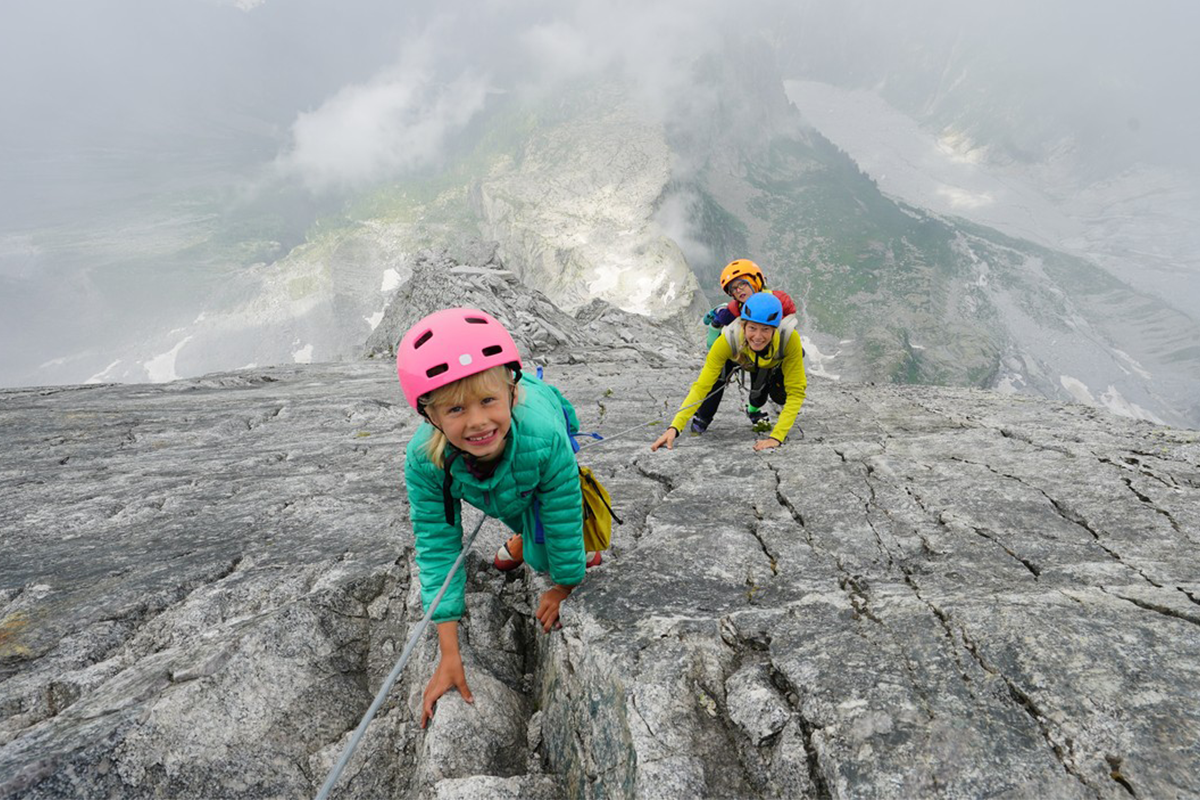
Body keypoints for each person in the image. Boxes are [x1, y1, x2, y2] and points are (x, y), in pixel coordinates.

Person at [397, 307, 592, 728]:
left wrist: (565, 584)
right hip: (510, 476)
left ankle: (527, 542)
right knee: (511, 497)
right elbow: (437, 545)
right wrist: (449, 653)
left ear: (511, 391)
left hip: (547, 441)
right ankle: (524, 535)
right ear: (430, 416)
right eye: (455, 410)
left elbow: (562, 512)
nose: (478, 421)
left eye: (489, 400)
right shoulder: (426, 462)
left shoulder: (542, 436)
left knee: (542, 547)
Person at [653, 292, 806, 452]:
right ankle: (702, 418)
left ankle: (759, 398)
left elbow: (796, 392)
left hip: (768, 363)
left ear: (775, 329)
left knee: (773, 397)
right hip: (739, 355)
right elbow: (701, 386)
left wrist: (776, 437)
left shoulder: (788, 339)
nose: (758, 336)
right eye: (752, 328)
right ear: (743, 325)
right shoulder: (728, 340)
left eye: (765, 330)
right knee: (713, 386)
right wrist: (674, 428)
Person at [696, 259, 798, 431]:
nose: (738, 290)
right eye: (733, 289)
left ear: (756, 281)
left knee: (762, 383)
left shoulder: (778, 300)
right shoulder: (734, 309)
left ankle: (754, 408)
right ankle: (703, 417)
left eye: (742, 284)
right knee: (719, 375)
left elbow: (788, 323)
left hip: (763, 349)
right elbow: (716, 331)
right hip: (740, 351)